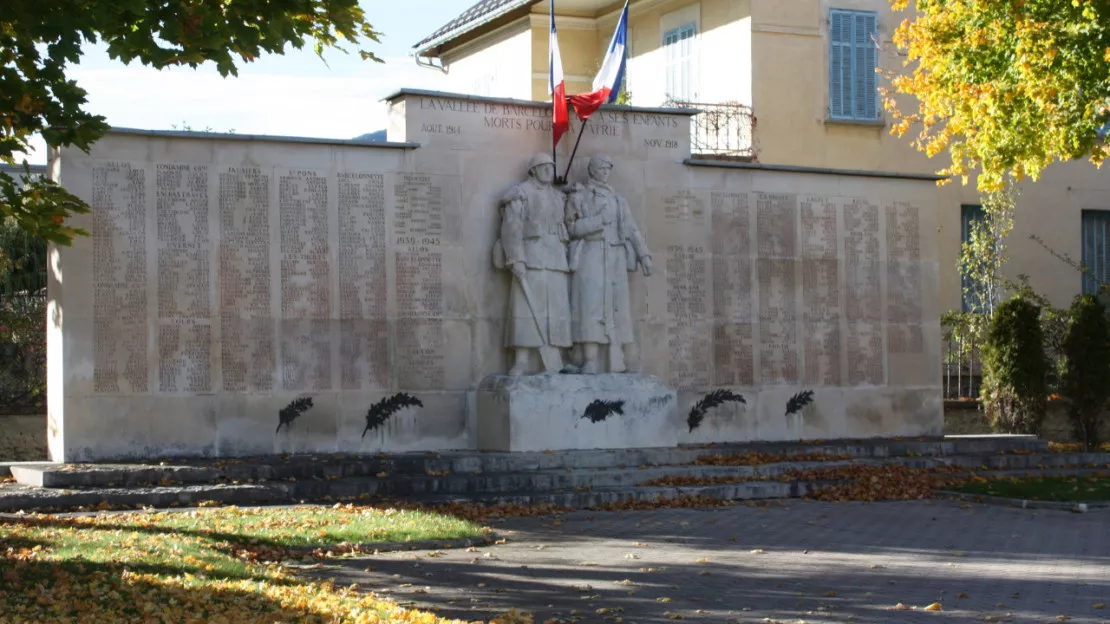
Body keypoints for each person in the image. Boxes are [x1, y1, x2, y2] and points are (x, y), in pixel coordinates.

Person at [566, 155, 652, 374]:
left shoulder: (618, 199)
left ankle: (620, 358)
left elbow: (632, 229)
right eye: (602, 168)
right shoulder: (579, 195)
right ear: (592, 170)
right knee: (589, 306)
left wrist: (644, 256)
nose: (605, 172)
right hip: (590, 254)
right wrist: (597, 222)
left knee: (617, 308)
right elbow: (570, 229)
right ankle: (590, 359)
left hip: (615, 257)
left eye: (608, 169)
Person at [496, 154, 573, 375]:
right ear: (534, 170)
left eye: (551, 167)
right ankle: (521, 360)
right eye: (544, 167)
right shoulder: (521, 193)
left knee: (556, 309)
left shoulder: (559, 197)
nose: (549, 170)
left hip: (556, 258)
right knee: (525, 309)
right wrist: (516, 257)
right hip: (531, 257)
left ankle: (555, 356)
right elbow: (512, 227)